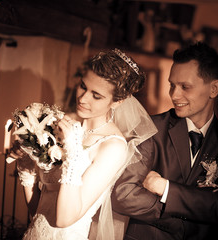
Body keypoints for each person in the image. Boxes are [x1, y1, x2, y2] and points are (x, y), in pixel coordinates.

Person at [9, 49, 157, 239]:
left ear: (117, 102)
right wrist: (27, 168)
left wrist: (73, 150)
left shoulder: (112, 146)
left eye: (96, 95)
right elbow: (38, 211)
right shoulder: (64, 125)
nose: (83, 98)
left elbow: (63, 220)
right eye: (82, 86)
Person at [111, 42, 218, 240]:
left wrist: (165, 188)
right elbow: (123, 195)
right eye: (172, 85)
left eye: (185, 87)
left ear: (214, 88)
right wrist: (181, 223)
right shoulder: (151, 129)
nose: (174, 95)